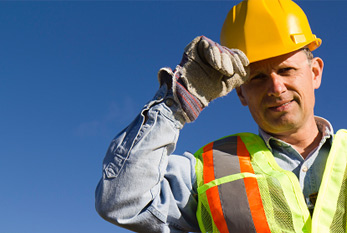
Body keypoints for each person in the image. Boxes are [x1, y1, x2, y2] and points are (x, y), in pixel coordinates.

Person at [95, 0, 347, 232]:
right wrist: (176, 102)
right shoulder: (209, 169)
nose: (276, 88)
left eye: (286, 70)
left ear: (315, 73)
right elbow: (122, 203)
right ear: (240, 93)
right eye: (258, 77)